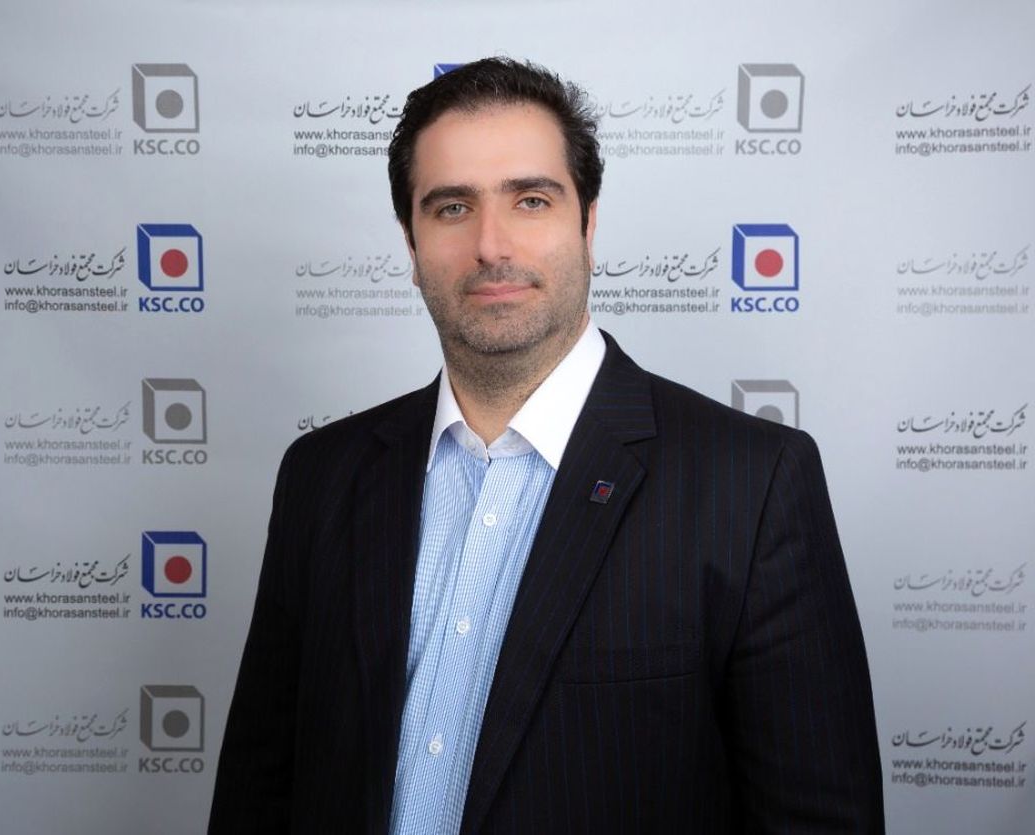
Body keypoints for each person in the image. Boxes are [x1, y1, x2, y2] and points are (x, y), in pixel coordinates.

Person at [209, 57, 884, 834]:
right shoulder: (322, 476)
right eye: (452, 206)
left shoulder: (751, 484)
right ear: (412, 242)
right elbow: (259, 792)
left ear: (588, 224)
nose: (491, 244)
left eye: (531, 200)